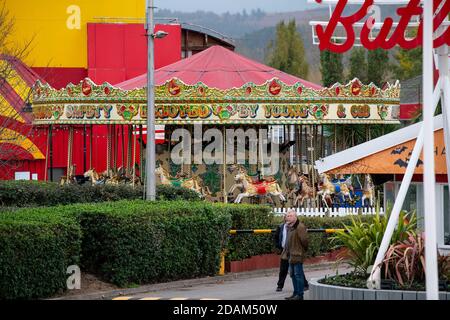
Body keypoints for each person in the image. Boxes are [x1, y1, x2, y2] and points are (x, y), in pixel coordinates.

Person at [274, 213, 309, 292]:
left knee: (297, 272)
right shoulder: (281, 226)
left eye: (291, 216)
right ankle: (280, 286)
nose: (288, 218)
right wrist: (279, 246)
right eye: (287, 216)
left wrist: (302, 250)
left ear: (295, 217)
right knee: (285, 270)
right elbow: (277, 237)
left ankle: (303, 288)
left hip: (295, 253)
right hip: (285, 251)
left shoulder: (298, 227)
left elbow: (304, 240)